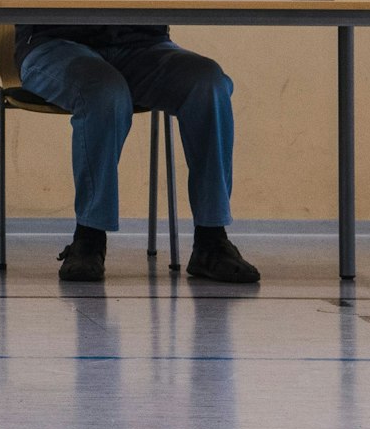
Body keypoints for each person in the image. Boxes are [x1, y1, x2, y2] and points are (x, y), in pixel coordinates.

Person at [14, 23, 260, 284]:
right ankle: (89, 239)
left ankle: (211, 241)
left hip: (143, 45)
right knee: (103, 91)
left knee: (208, 83)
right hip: (54, 43)